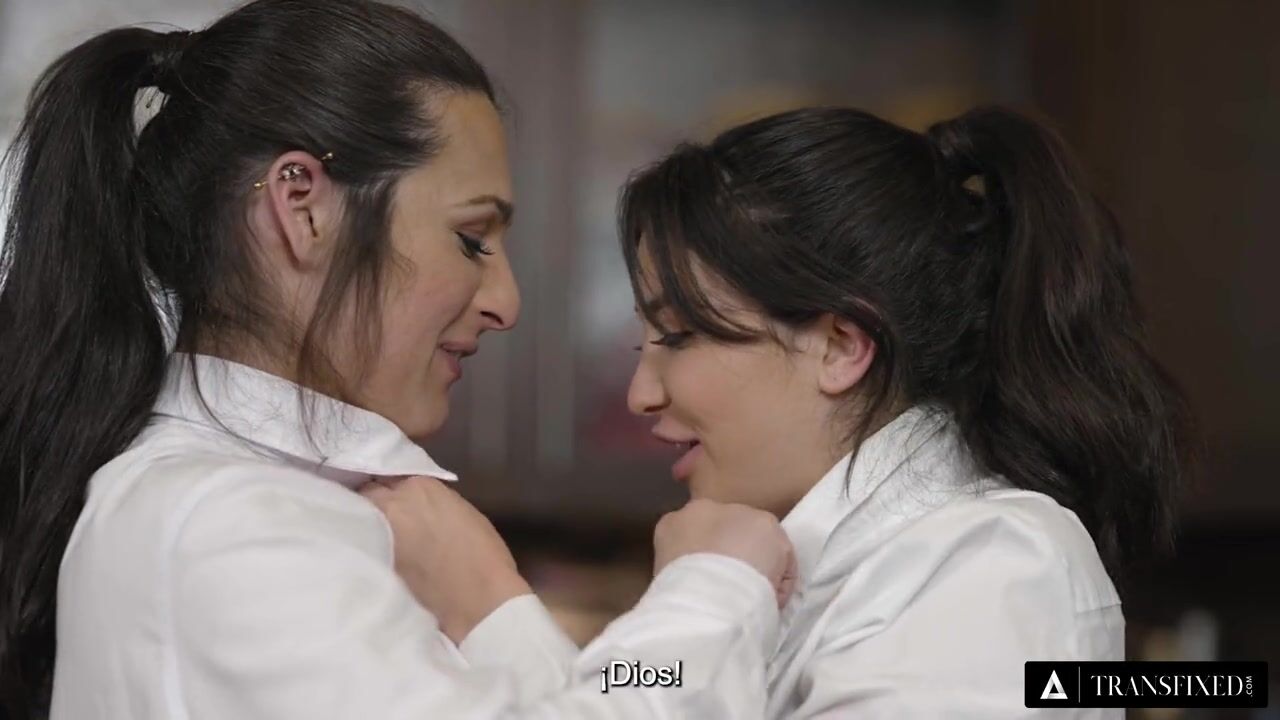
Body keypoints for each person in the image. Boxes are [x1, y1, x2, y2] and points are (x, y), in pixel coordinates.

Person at [0, 2, 795, 718]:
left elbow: (582, 696)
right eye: (471, 239)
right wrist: (711, 589)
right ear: (302, 206)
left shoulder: (274, 508)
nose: (506, 302)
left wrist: (497, 607)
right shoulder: (233, 525)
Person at [605, 105, 1197, 718]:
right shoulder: (775, 560)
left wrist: (694, 604)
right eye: (643, 344)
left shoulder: (988, 563)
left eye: (677, 336)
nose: (640, 395)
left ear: (839, 347)